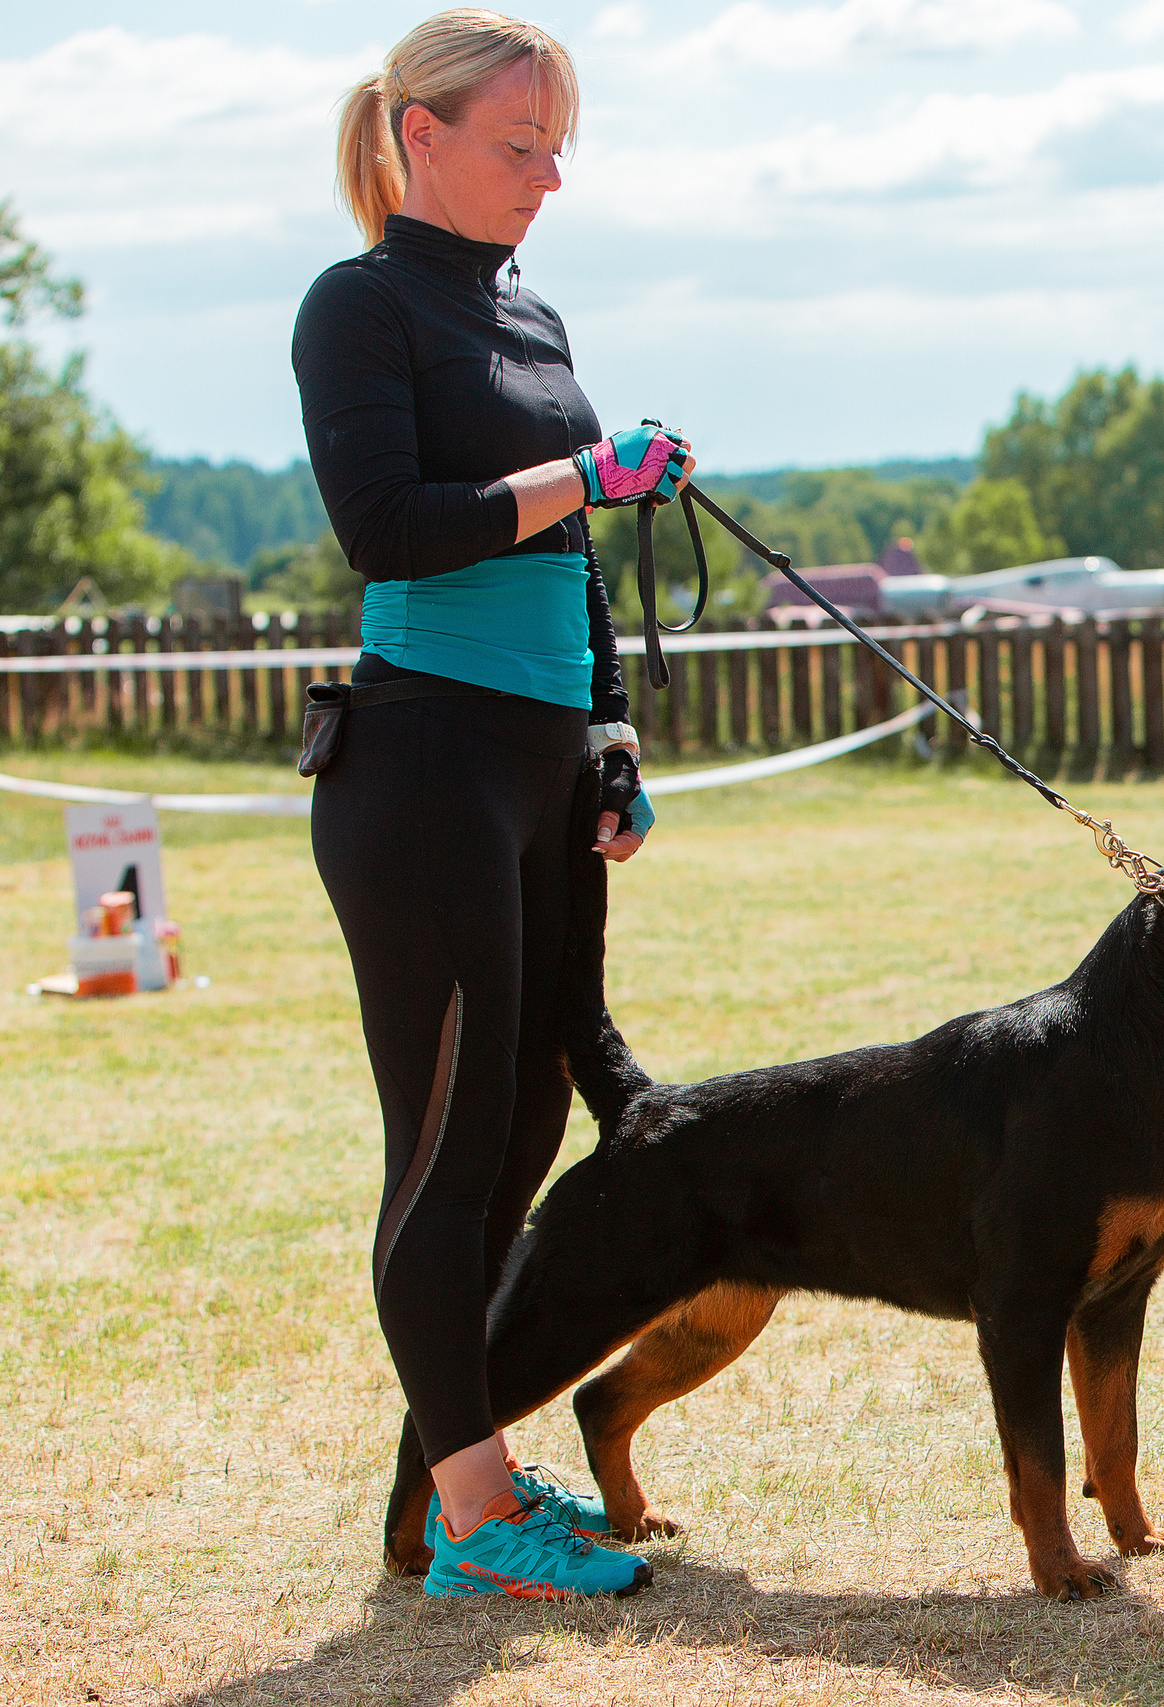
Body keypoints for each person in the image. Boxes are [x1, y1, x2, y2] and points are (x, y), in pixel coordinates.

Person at [294, 8, 689, 1601]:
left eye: (556, 147)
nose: (548, 176)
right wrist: (585, 476)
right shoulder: (357, 308)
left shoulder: (531, 313)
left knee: (530, 1121)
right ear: (420, 137)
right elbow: (389, 529)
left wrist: (608, 734)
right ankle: (467, 1513)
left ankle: (483, 1476)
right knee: (450, 1147)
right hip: (422, 764)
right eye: (519, 146)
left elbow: (570, 559)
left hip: (535, 763)